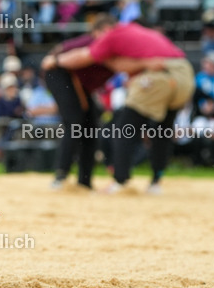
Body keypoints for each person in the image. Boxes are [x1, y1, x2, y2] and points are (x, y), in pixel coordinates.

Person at [53, 16, 196, 194]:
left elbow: (85, 56)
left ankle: (120, 181)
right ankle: (156, 183)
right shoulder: (138, 31)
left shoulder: (112, 35)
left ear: (104, 29)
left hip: (158, 77)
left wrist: (55, 61)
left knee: (123, 129)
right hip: (185, 74)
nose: (97, 41)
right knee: (162, 131)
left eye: (96, 36)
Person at [40, 34, 114, 190]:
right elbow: (62, 48)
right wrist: (54, 59)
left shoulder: (117, 47)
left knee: (90, 127)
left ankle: (84, 181)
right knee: (74, 123)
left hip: (81, 85)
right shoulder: (94, 40)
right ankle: (61, 175)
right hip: (60, 72)